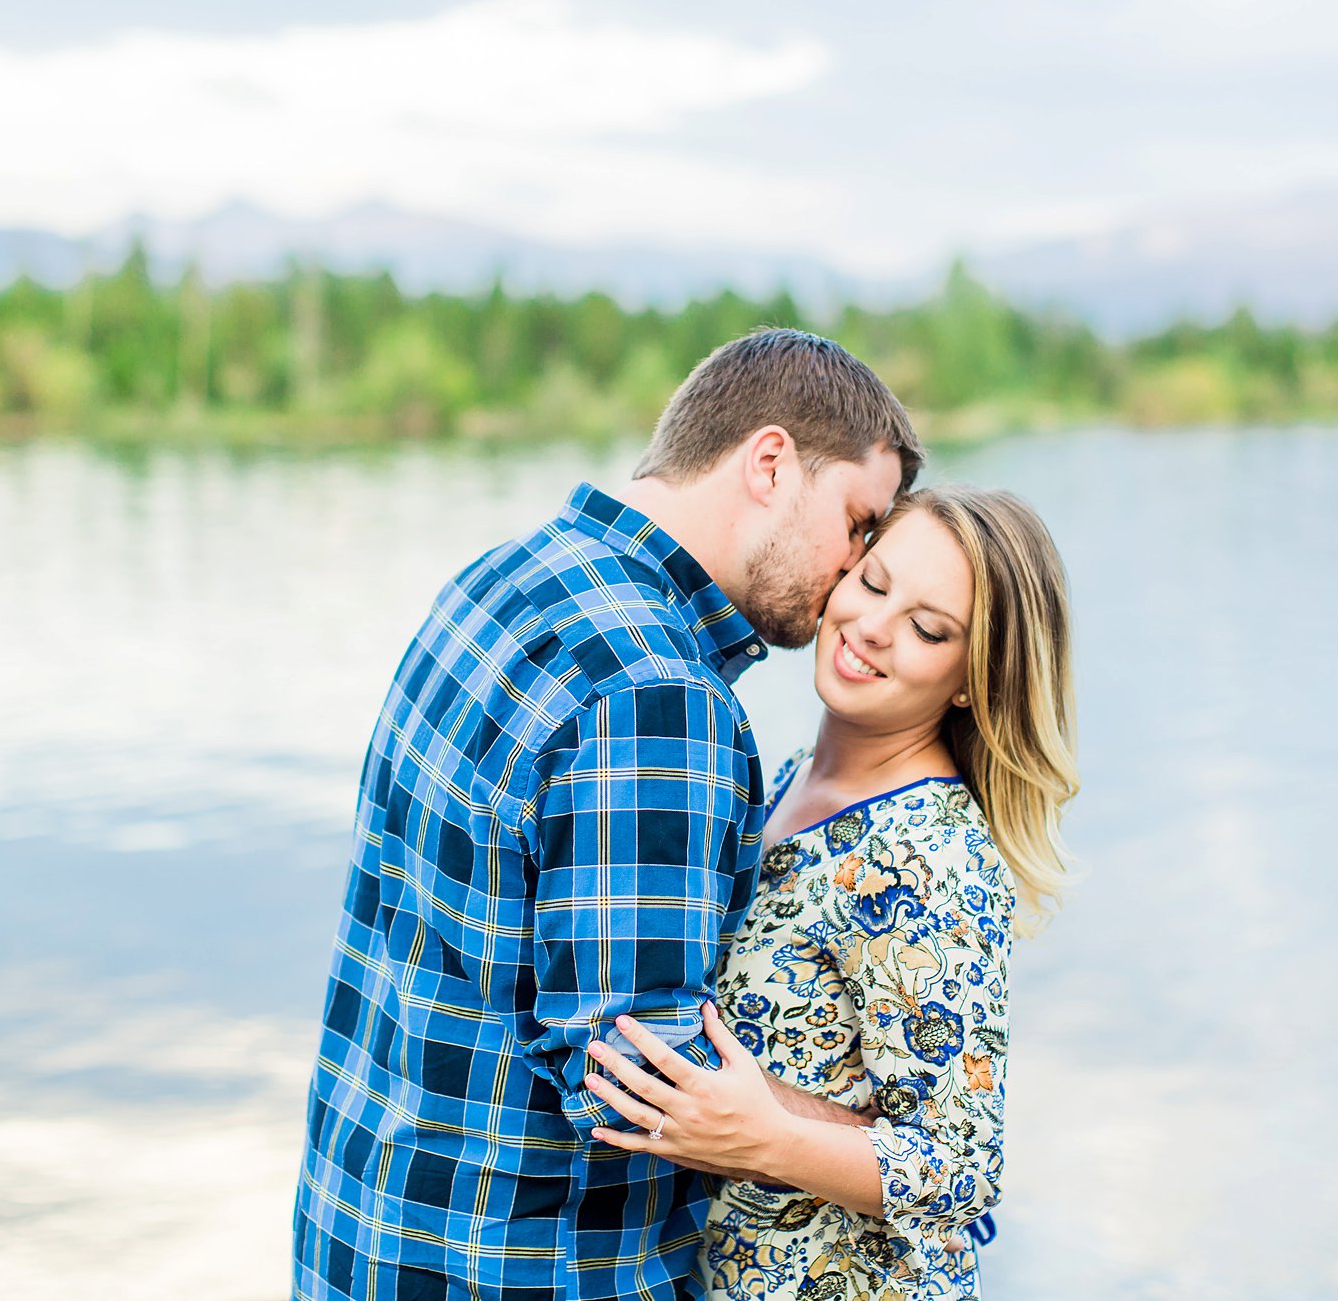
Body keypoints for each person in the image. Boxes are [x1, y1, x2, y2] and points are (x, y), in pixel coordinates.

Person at [292, 329, 924, 1301]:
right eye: (855, 521)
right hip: (526, 1273)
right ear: (768, 463)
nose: (852, 572)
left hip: (363, 1239)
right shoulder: (657, 695)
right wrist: (888, 1151)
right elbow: (644, 1085)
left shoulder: (500, 580)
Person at [585, 485, 1079, 1300]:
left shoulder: (926, 857)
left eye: (928, 629)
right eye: (874, 583)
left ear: (969, 678)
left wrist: (762, 1138)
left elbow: (960, 1168)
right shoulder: (788, 784)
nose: (874, 629)